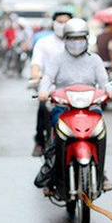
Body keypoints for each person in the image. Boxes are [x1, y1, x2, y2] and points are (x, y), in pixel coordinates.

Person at [38, 18, 112, 195]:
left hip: (90, 107)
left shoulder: (94, 60)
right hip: (64, 107)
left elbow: (105, 82)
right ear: (65, 38)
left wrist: (110, 92)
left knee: (100, 130)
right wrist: (43, 91)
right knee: (56, 132)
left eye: (80, 38)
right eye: (72, 38)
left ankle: (101, 172)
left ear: (86, 39)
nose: (76, 42)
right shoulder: (57, 59)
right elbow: (47, 78)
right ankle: (53, 174)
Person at [29, 10, 73, 157]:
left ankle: (100, 170)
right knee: (43, 107)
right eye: (59, 22)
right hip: (50, 89)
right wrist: (37, 74)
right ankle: (40, 141)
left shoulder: (77, 43)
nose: (63, 25)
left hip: (76, 91)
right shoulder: (44, 43)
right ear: (53, 23)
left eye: (66, 22)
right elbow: (36, 64)